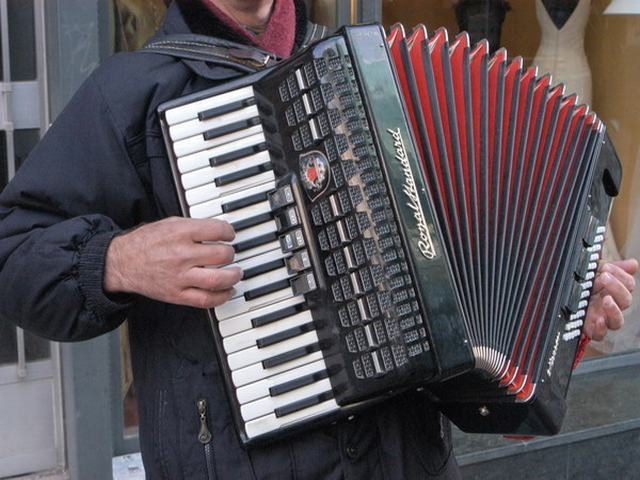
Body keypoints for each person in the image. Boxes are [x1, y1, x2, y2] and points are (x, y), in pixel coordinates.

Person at [0, 1, 636, 479]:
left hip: (404, 462)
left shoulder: (374, 76)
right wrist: (117, 260)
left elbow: (458, 304)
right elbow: (17, 254)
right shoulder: (130, 92)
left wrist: (559, 315)